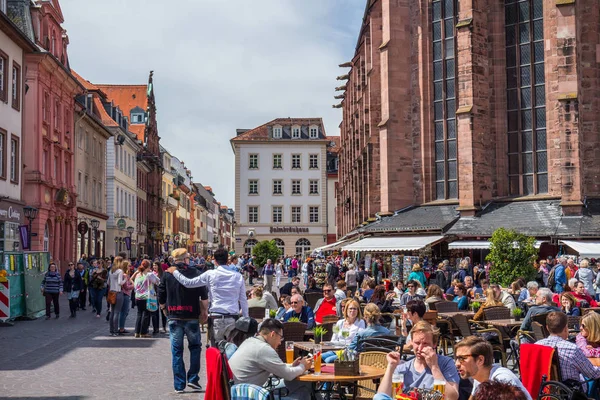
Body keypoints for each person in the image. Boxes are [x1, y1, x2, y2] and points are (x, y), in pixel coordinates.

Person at [167, 247, 249, 346]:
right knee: (232, 349)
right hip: (232, 316)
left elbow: (188, 283)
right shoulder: (238, 276)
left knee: (216, 350)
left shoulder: (210, 274)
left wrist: (175, 272)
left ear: (214, 261)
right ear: (227, 260)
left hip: (216, 317)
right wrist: (245, 318)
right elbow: (243, 300)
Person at [158, 248, 209, 393]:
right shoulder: (194, 272)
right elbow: (203, 294)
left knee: (176, 350)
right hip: (192, 315)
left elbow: (161, 294)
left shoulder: (167, 274)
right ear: (186, 258)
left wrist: (163, 309)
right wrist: (204, 311)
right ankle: (193, 379)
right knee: (195, 347)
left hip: (174, 315)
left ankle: (179, 385)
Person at [229, 319, 312, 400]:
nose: (280, 342)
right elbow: (288, 375)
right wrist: (303, 366)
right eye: (281, 337)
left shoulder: (250, 341)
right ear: (273, 334)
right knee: (303, 391)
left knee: (301, 386)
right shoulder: (263, 349)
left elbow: (271, 365)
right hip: (248, 395)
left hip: (237, 392)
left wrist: (291, 365)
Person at [388, 321, 460, 400]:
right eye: (417, 343)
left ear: (434, 344)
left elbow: (453, 397)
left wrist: (434, 367)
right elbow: (383, 395)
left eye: (425, 343)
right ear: (411, 342)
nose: (420, 348)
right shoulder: (402, 368)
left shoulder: (446, 363)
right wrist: (390, 367)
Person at [454, 336, 532, 399]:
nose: (456, 364)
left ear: (480, 360)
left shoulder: (502, 381)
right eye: (456, 358)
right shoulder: (479, 376)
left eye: (462, 358)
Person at [536, 311, 600, 387]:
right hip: (571, 390)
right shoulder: (572, 349)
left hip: (547, 389)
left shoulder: (537, 346)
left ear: (547, 327)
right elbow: (593, 374)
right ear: (566, 328)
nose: (580, 328)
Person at [132, 259, 161, 338]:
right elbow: (158, 281)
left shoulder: (138, 274)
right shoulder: (149, 274)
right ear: (148, 266)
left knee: (139, 314)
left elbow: (134, 282)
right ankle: (143, 332)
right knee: (146, 314)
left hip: (138, 296)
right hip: (146, 297)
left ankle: (137, 332)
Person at [107, 257, 126, 336]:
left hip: (111, 292)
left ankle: (111, 330)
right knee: (117, 312)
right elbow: (120, 282)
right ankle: (115, 330)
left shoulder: (111, 271)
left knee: (112, 312)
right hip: (118, 292)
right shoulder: (120, 271)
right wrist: (125, 279)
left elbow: (108, 282)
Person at [118, 260, 133, 335]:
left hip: (124, 294)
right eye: (129, 266)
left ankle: (121, 327)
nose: (130, 267)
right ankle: (121, 328)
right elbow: (126, 287)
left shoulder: (125, 274)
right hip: (125, 294)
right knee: (124, 312)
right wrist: (133, 286)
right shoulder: (124, 275)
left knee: (124, 312)